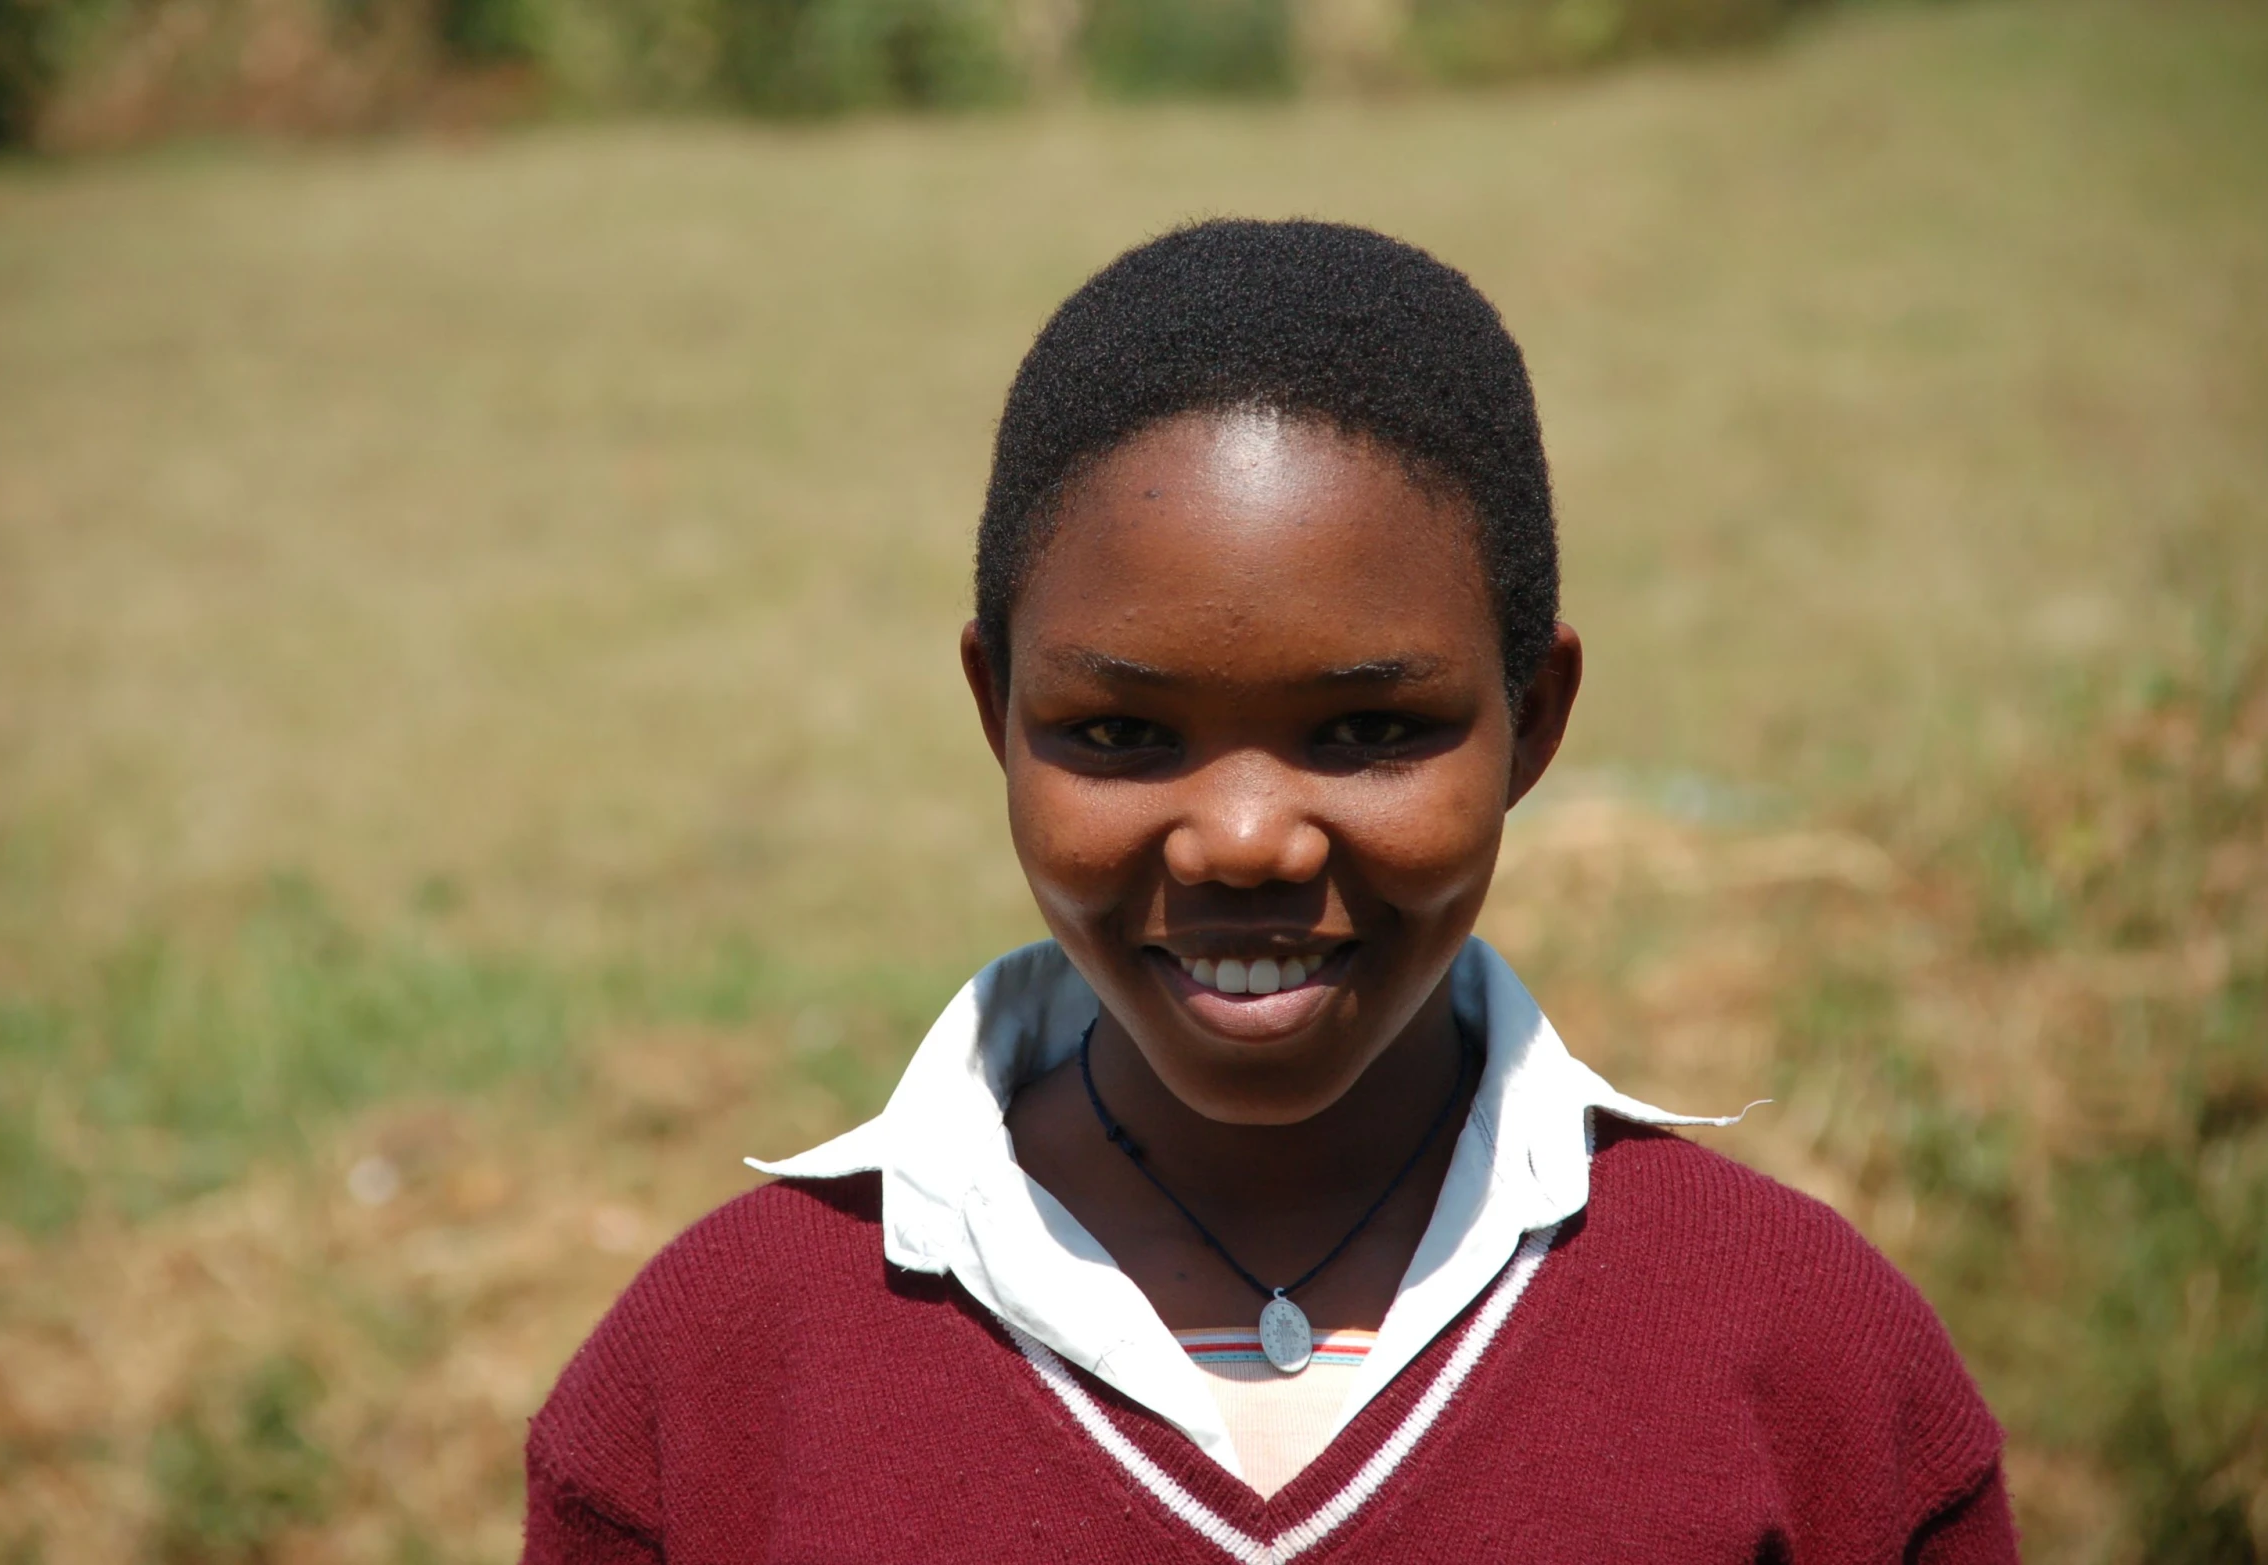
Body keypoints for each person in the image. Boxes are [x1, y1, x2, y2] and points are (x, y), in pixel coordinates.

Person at [521, 219, 2017, 1563]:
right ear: (996, 715)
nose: (1242, 840)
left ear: (1533, 721)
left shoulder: (1798, 1352)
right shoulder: (722, 1376)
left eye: (1369, 730)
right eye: (1118, 734)